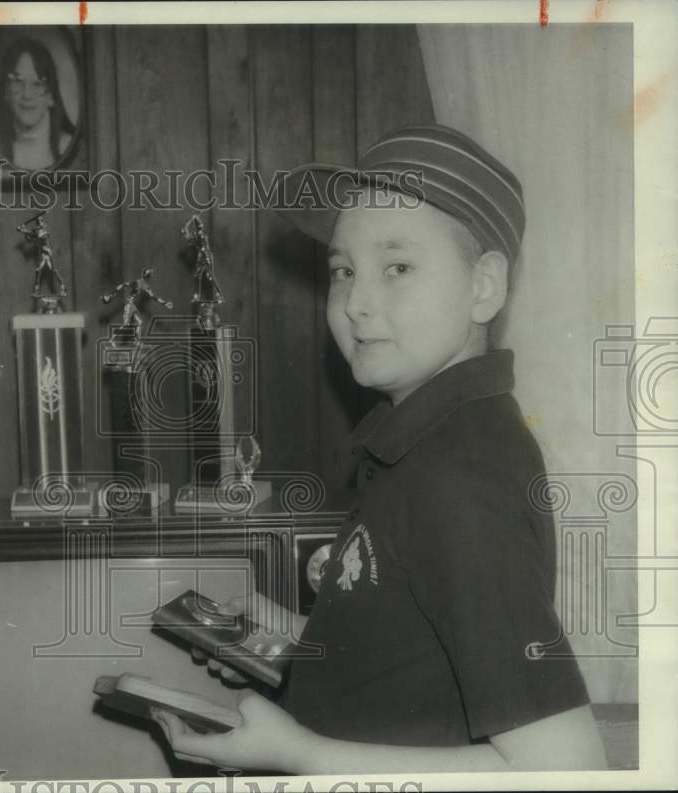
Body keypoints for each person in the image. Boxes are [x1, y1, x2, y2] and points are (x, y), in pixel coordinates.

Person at [152, 124, 607, 773]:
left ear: (484, 286)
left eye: (397, 267)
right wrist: (295, 634)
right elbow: (419, 651)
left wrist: (300, 753)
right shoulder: (428, 440)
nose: (356, 303)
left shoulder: (460, 478)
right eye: (343, 270)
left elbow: (566, 770)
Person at [0, 36, 76, 171]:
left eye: (37, 84)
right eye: (18, 82)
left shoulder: (72, 148)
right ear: (5, 92)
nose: (27, 94)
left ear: (51, 96)